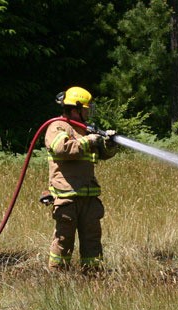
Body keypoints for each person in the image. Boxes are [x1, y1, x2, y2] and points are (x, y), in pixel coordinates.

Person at [44, 86, 117, 272]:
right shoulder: (58, 126)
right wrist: (89, 140)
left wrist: (109, 143)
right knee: (63, 241)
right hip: (66, 196)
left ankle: (93, 277)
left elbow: (103, 154)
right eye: (86, 108)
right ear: (75, 109)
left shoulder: (86, 130)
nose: (88, 111)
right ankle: (57, 277)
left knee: (92, 241)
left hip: (89, 197)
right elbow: (63, 148)